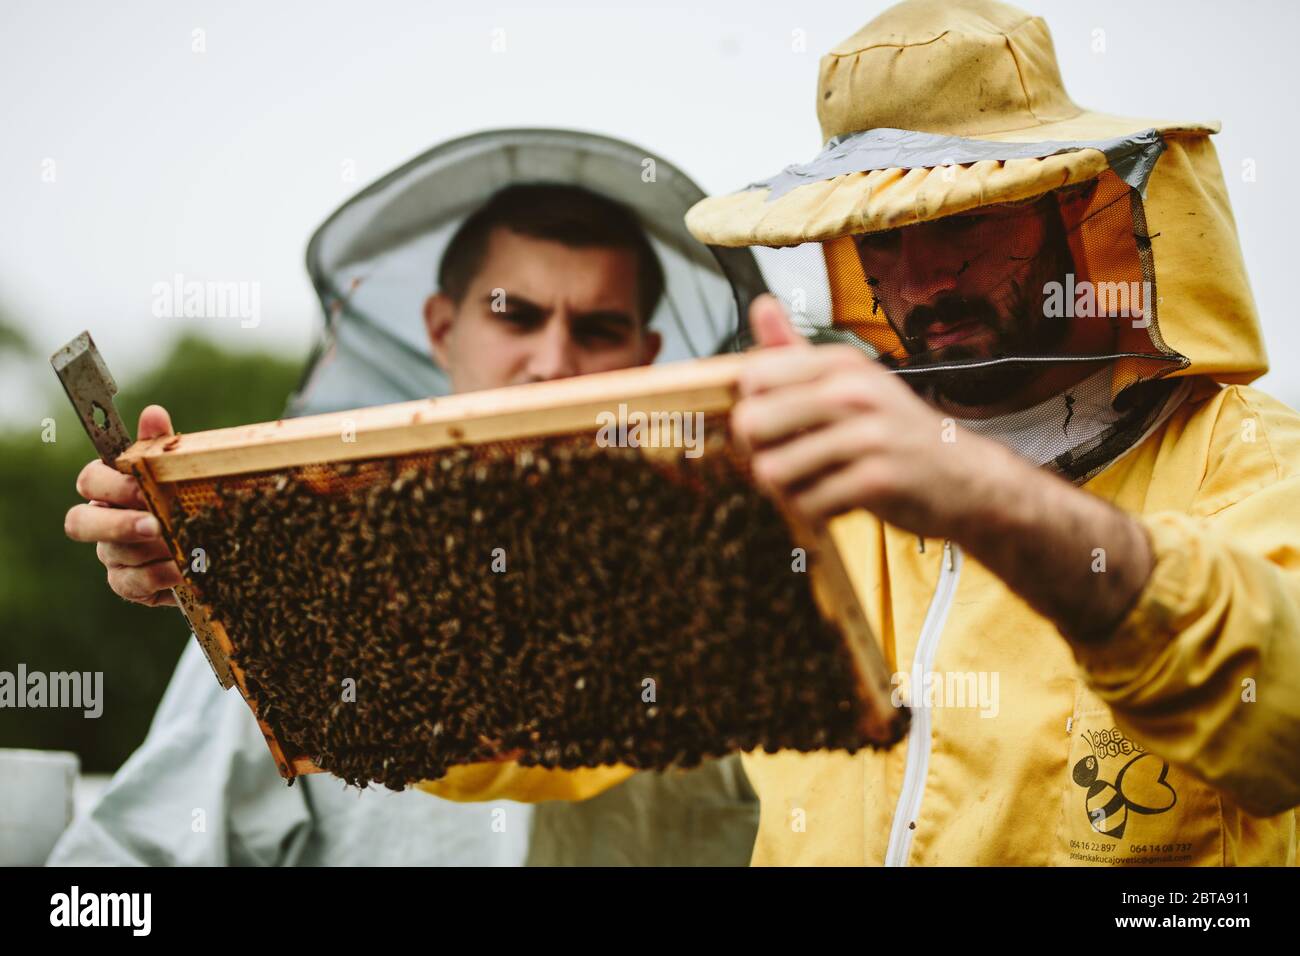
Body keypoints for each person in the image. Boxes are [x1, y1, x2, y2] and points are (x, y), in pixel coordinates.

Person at [417, 0, 1300, 866]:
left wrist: (985, 500)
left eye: (961, 219)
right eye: (880, 233)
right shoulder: (797, 502)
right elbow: (522, 724)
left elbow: (1282, 714)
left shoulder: (1248, 462)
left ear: (1077, 213)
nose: (920, 276)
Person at [52, 131, 763, 866]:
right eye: (515, 315)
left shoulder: (733, 588)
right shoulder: (306, 593)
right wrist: (233, 577)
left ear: (645, 358)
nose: (553, 364)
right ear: (442, 328)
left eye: (597, 328)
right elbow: (121, 868)